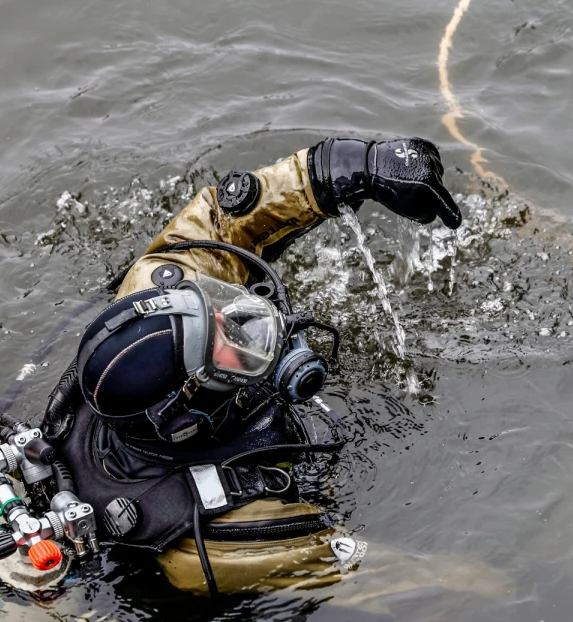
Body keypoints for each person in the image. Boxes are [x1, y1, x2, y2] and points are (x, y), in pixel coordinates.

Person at [38, 137, 462, 595]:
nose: (240, 325)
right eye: (225, 350)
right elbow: (412, 582)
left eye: (217, 311)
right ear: (188, 415)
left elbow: (223, 221)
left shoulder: (156, 296)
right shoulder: (223, 547)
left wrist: (350, 165)